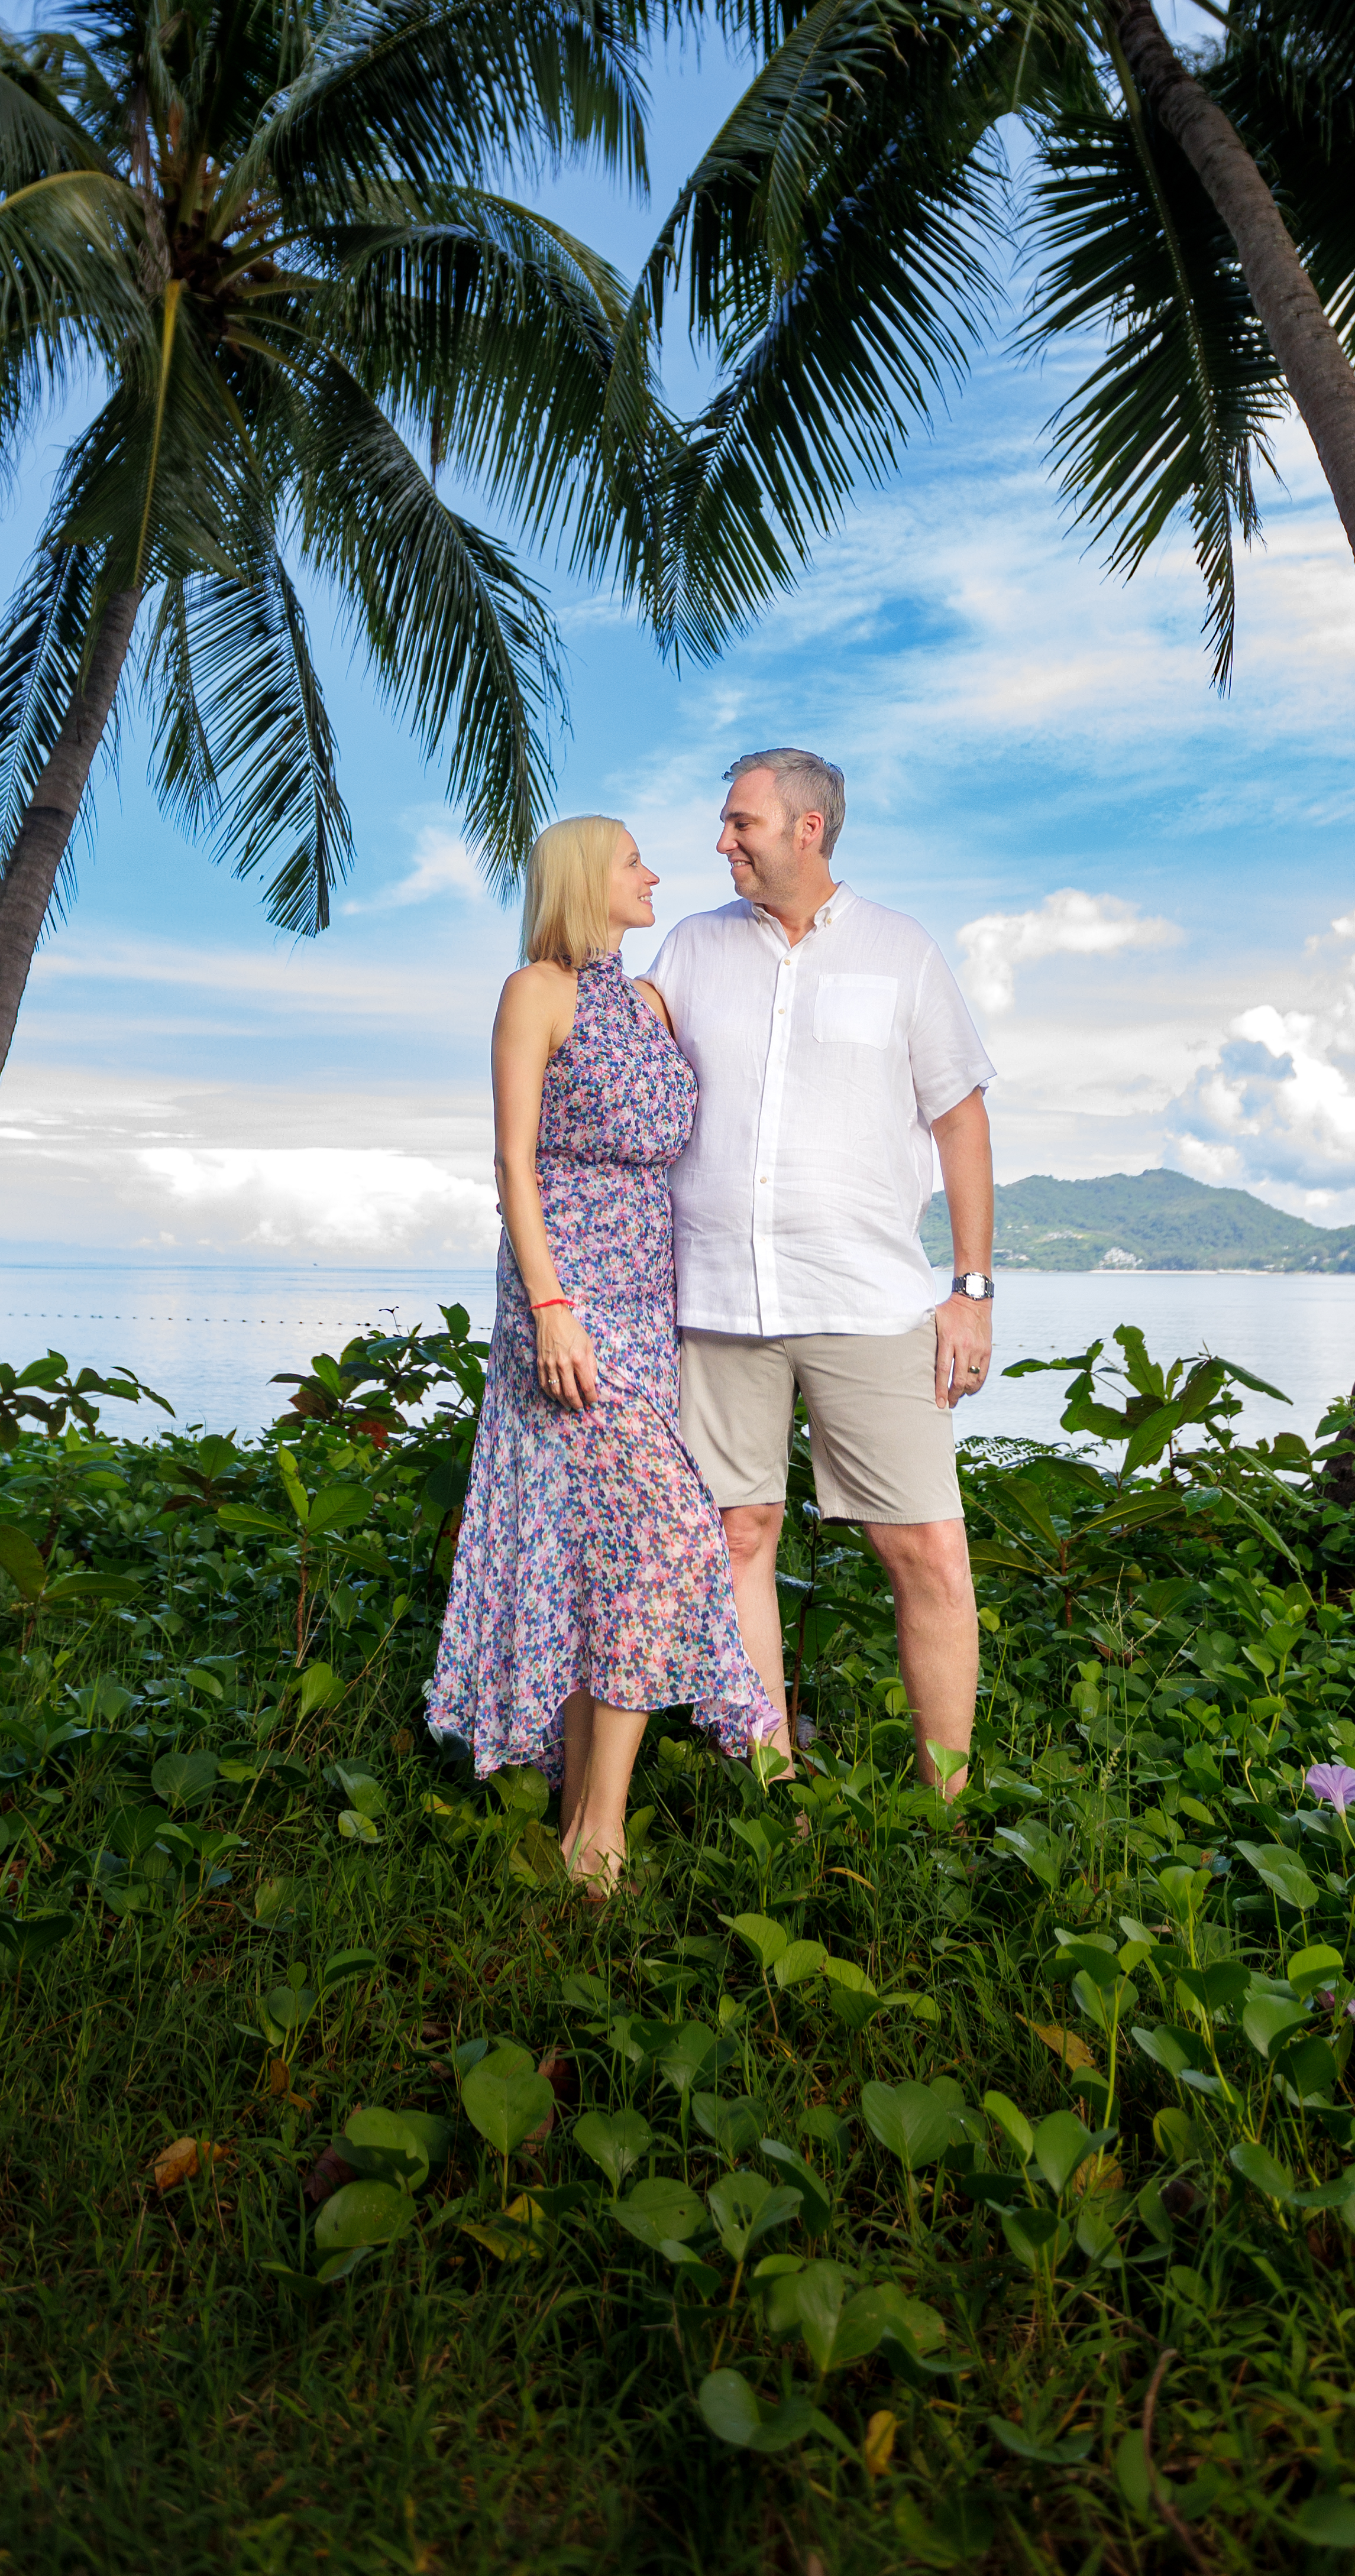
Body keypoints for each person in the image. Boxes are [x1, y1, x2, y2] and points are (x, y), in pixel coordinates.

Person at [425, 813, 780, 1885]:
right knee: (673, 1539)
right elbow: (514, 1165)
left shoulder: (652, 1001)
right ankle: (601, 1836)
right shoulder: (538, 992)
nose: (655, 873)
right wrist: (549, 1304)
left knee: (611, 1557)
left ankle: (584, 1818)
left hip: (647, 1302)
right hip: (569, 1301)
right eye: (635, 862)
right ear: (588, 878)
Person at [648, 749, 996, 1799]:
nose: (722, 842)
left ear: (809, 829)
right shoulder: (692, 948)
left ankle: (945, 1814)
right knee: (736, 1535)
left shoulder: (902, 952)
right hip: (710, 1297)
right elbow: (618, 1062)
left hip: (870, 1301)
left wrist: (972, 1289)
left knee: (930, 1553)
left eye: (740, 822)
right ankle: (771, 1802)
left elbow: (961, 1120)